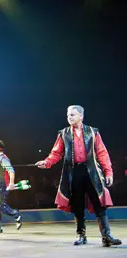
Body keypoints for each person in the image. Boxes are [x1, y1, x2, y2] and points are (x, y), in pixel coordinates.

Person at [35, 105, 121, 247]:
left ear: (81, 116)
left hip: (92, 172)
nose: (69, 117)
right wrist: (47, 162)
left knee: (99, 204)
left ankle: (107, 236)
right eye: (68, 115)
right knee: (78, 205)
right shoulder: (64, 133)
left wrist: (108, 171)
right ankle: (81, 235)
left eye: (73, 115)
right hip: (74, 172)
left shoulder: (93, 132)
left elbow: (102, 153)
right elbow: (56, 153)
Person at [0, 140, 22, 231]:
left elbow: (11, 170)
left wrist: (12, 183)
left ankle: (16, 215)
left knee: (0, 206)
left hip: (2, 185)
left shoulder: (3, 158)